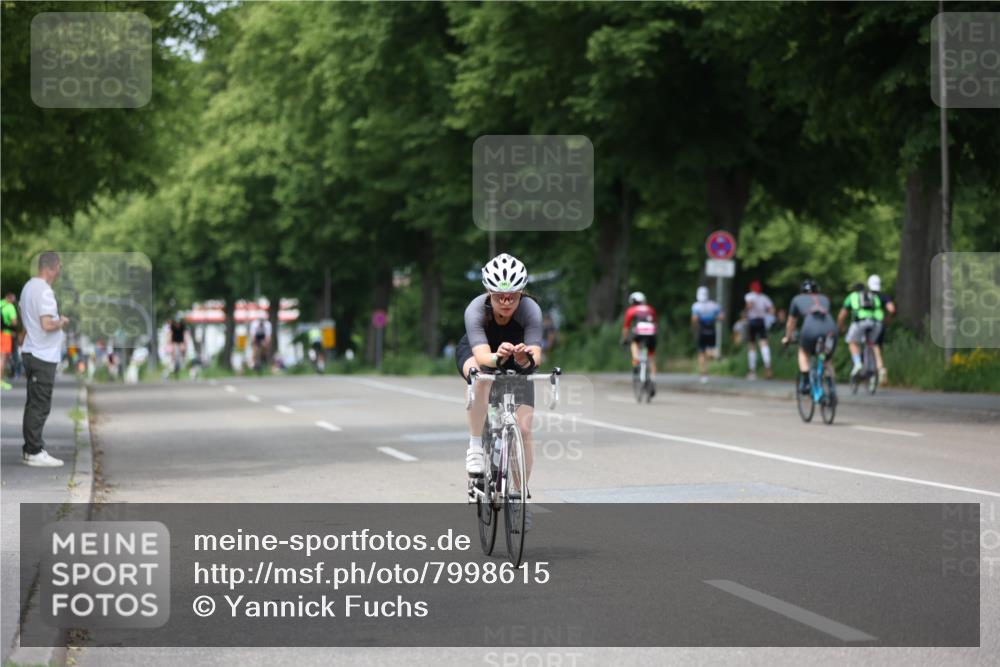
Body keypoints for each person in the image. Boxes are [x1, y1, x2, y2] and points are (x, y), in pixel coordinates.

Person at [456, 253, 542, 482]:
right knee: (480, 377)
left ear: (521, 293)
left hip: (516, 353)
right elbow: (483, 357)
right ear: (489, 294)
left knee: (524, 430)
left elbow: (536, 355)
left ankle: (520, 496)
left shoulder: (530, 309)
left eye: (512, 297)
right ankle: (475, 446)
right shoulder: (475, 309)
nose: (506, 302)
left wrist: (524, 358)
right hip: (480, 352)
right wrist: (498, 357)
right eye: (499, 297)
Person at [19, 251, 69, 467]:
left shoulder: (28, 287)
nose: (59, 271)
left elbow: (23, 314)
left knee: (33, 403)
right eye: (59, 267)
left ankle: (30, 449)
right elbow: (46, 324)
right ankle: (34, 450)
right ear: (53, 266)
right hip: (42, 354)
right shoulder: (45, 292)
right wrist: (61, 321)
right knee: (40, 404)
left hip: (32, 350)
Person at [782, 278, 839, 395]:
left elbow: (791, 322)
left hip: (810, 328)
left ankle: (806, 382)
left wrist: (787, 337)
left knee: (803, 352)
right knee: (827, 358)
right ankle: (831, 385)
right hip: (831, 328)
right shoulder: (824, 298)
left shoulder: (797, 299)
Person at [837, 281, 884, 381]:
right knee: (871, 344)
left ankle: (858, 363)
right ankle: (874, 368)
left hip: (860, 323)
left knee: (852, 342)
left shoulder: (852, 296)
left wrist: (841, 327)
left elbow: (842, 315)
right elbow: (880, 311)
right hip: (876, 324)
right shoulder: (873, 296)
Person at [620, 291, 658, 396]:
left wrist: (624, 339)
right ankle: (653, 381)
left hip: (639, 332)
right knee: (651, 358)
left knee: (634, 343)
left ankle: (636, 361)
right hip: (652, 333)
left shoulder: (631, 310)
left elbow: (626, 328)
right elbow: (655, 323)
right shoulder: (650, 309)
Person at [743, 280, 775, 379]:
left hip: (752, 321)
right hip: (761, 321)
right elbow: (771, 310)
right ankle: (768, 367)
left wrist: (745, 312)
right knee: (764, 344)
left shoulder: (749, 296)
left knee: (752, 345)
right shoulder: (764, 298)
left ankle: (752, 371)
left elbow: (749, 305)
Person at [691, 286, 723, 382]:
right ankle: (714, 353)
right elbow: (721, 317)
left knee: (701, 352)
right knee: (709, 349)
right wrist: (713, 319)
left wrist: (694, 327)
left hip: (702, 330)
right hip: (712, 330)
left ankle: (703, 374)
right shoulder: (714, 305)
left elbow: (694, 319)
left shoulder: (696, 306)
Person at [866, 274, 895, 383]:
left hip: (867, 323)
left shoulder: (865, 295)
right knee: (877, 346)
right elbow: (891, 309)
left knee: (870, 345)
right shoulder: (884, 296)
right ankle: (880, 368)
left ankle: (869, 368)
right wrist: (887, 318)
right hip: (880, 324)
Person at [1, 292, 18, 390]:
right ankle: (0, 381)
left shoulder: (0, 303)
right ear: (10, 298)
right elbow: (14, 322)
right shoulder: (10, 307)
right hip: (5, 334)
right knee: (3, 358)